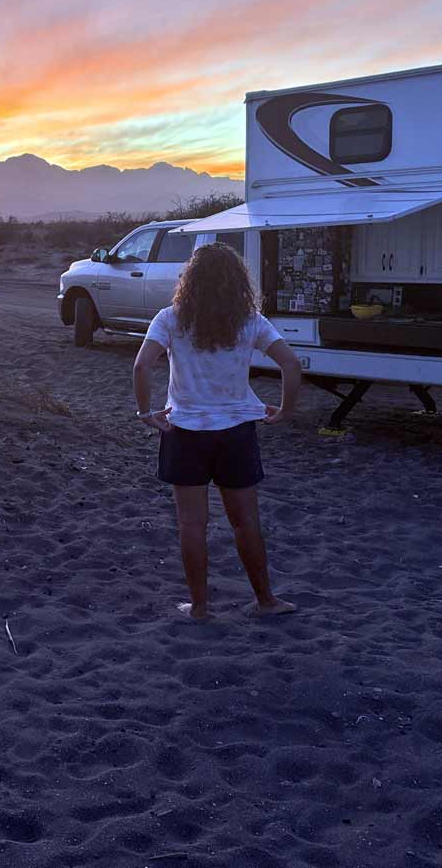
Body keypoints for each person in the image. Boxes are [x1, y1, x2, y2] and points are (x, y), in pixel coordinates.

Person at [132, 242, 302, 621]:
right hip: (236, 432)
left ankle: (200, 607)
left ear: (190, 280)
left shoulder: (170, 318)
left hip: (185, 430)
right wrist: (286, 411)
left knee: (192, 523)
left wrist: (145, 411)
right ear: (237, 281)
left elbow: (142, 368)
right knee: (245, 521)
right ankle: (266, 600)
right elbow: (291, 365)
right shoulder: (250, 320)